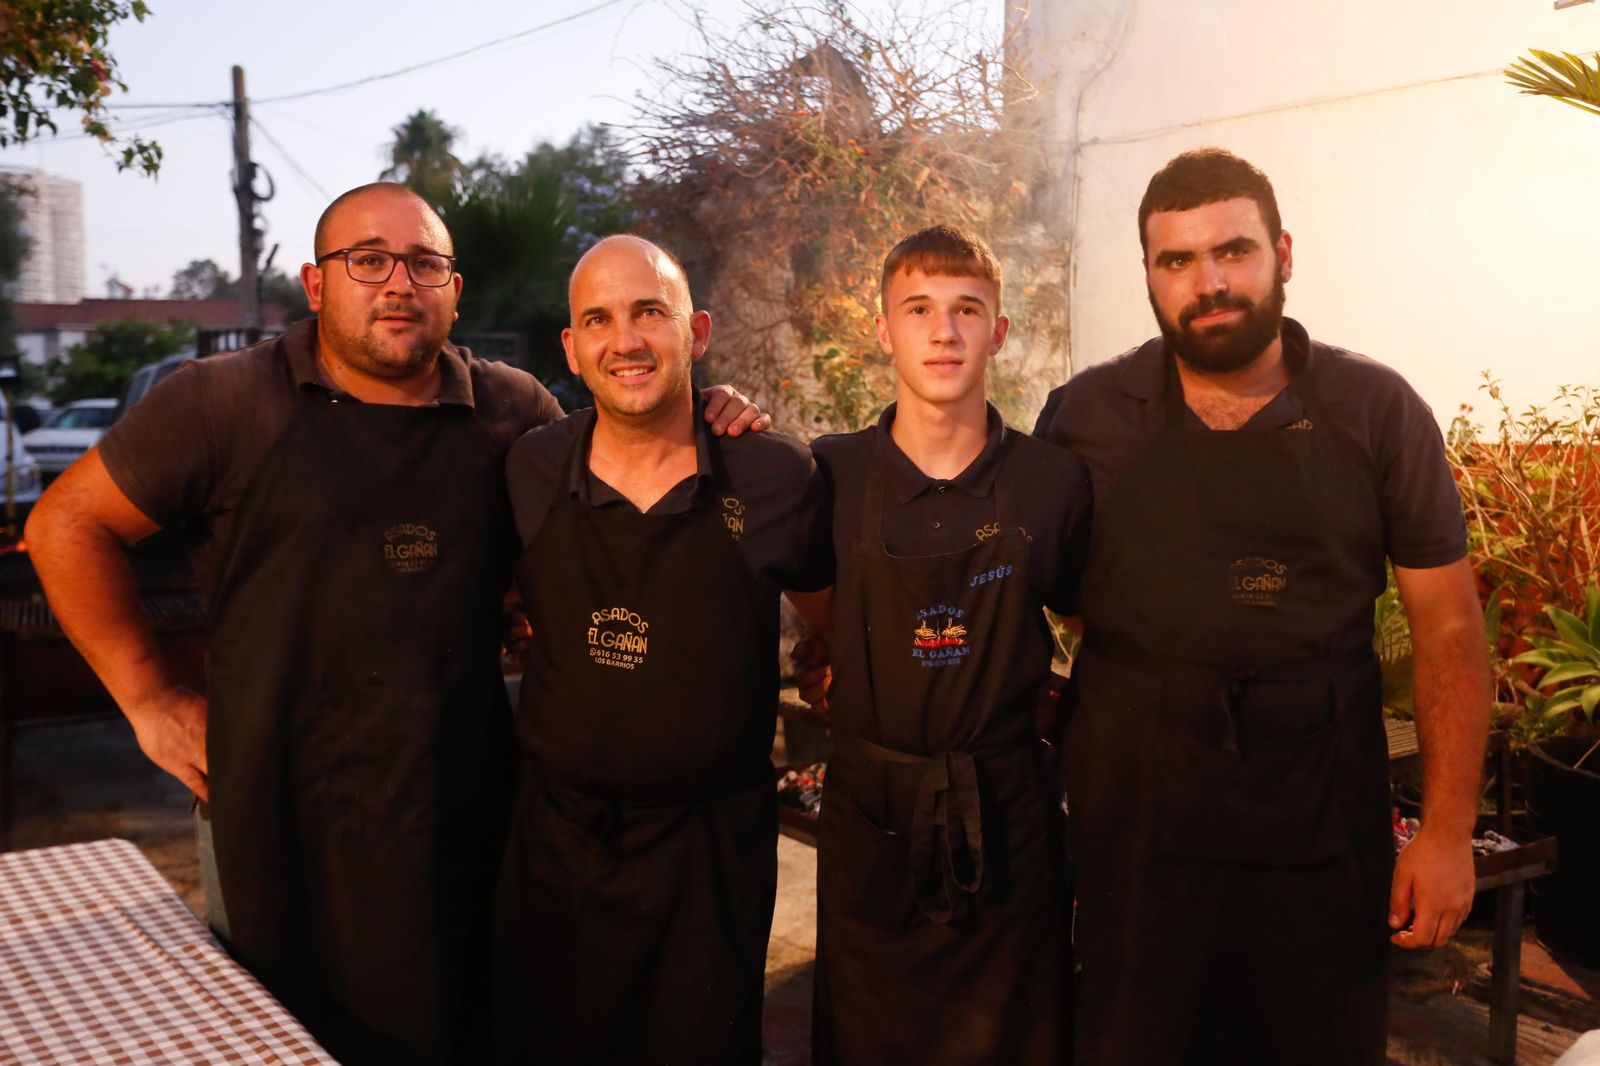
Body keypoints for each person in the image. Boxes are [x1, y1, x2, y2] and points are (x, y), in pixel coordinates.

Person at [22, 183, 766, 1066]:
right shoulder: (221, 403)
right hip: (274, 818)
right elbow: (65, 525)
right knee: (288, 1041)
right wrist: (149, 699)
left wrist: (716, 414)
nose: (398, 283)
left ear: (455, 287)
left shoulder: (513, 412)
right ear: (315, 282)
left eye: (425, 263)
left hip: (471, 814)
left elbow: (614, 482)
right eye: (367, 260)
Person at [1033, 148, 1490, 1064]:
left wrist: (1445, 835)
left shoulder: (1377, 410)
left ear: (1283, 252)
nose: (1210, 283)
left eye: (1233, 251)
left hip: (1317, 813)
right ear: (1151, 279)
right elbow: (1050, 595)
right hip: (1139, 821)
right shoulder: (1086, 415)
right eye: (1177, 262)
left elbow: (1448, 629)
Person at [492, 235, 831, 1065]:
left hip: (711, 855)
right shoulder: (529, 468)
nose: (627, 339)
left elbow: (834, 623)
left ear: (697, 332)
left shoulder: (776, 474)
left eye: (651, 312)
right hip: (559, 846)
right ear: (571, 349)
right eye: (599, 320)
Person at [795, 226, 1092, 1065]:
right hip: (869, 822)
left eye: (968, 310)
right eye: (918, 309)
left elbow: (1086, 629)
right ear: (883, 330)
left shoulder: (1051, 481)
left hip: (1010, 814)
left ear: (1000, 330)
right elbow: (816, 608)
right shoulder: (829, 475)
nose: (944, 331)